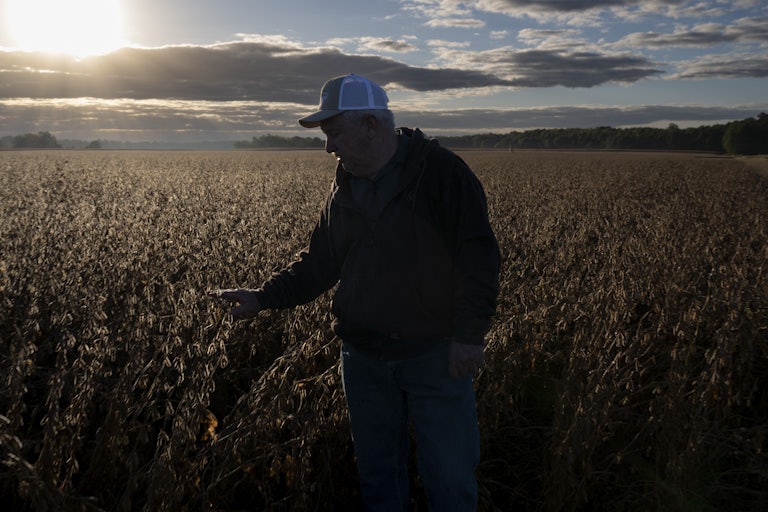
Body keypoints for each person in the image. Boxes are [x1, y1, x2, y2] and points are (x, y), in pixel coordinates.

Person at [209, 73, 500, 511]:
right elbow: (320, 263)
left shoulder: (441, 174)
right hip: (363, 358)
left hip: (435, 357)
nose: (328, 148)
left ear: (371, 126)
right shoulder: (344, 184)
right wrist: (262, 297)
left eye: (334, 133)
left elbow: (479, 260)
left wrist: (469, 335)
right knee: (379, 476)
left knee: (450, 477)